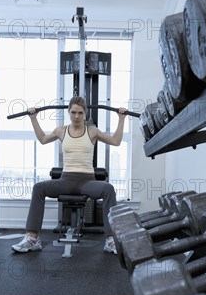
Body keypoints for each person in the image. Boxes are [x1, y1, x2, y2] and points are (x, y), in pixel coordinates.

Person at [12, 96, 128, 254]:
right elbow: (43, 139)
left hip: (87, 182)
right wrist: (33, 119)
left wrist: (121, 119)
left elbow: (115, 141)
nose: (77, 116)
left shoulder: (92, 131)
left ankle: (110, 240)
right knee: (38, 188)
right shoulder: (61, 130)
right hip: (65, 180)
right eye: (73, 112)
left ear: (85, 113)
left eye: (80, 113)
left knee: (108, 189)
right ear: (68, 112)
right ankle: (32, 238)